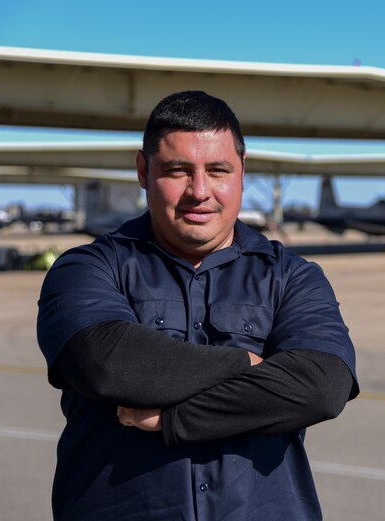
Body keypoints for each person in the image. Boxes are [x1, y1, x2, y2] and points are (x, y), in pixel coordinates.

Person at [37, 90, 358, 521]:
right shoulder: (88, 267)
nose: (199, 191)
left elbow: (322, 385)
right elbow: (108, 363)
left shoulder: (292, 276)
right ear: (142, 171)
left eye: (218, 170)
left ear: (242, 173)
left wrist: (176, 420)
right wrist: (246, 363)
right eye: (178, 171)